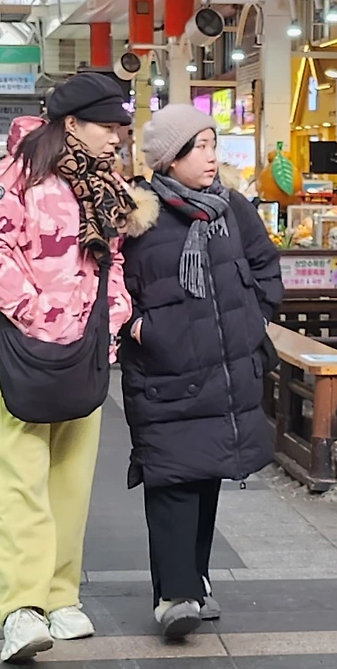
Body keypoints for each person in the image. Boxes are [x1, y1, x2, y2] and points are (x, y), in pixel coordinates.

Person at [0, 72, 135, 664]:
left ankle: (61, 596)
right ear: (71, 124)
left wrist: (113, 315)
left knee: (71, 480)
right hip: (21, 352)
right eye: (106, 126)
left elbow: (114, 259)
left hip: (88, 350)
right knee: (18, 479)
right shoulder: (19, 174)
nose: (116, 137)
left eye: (120, 127)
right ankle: (22, 608)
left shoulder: (107, 183)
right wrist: (37, 310)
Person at [119, 104, 283, 639]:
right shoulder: (137, 214)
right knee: (171, 476)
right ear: (170, 158)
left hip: (225, 367)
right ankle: (174, 595)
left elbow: (264, 265)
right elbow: (110, 281)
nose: (211, 157)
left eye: (214, 145)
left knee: (205, 471)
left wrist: (254, 319)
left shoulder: (231, 208)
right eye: (200, 147)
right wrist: (139, 328)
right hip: (165, 372)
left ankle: (195, 578)